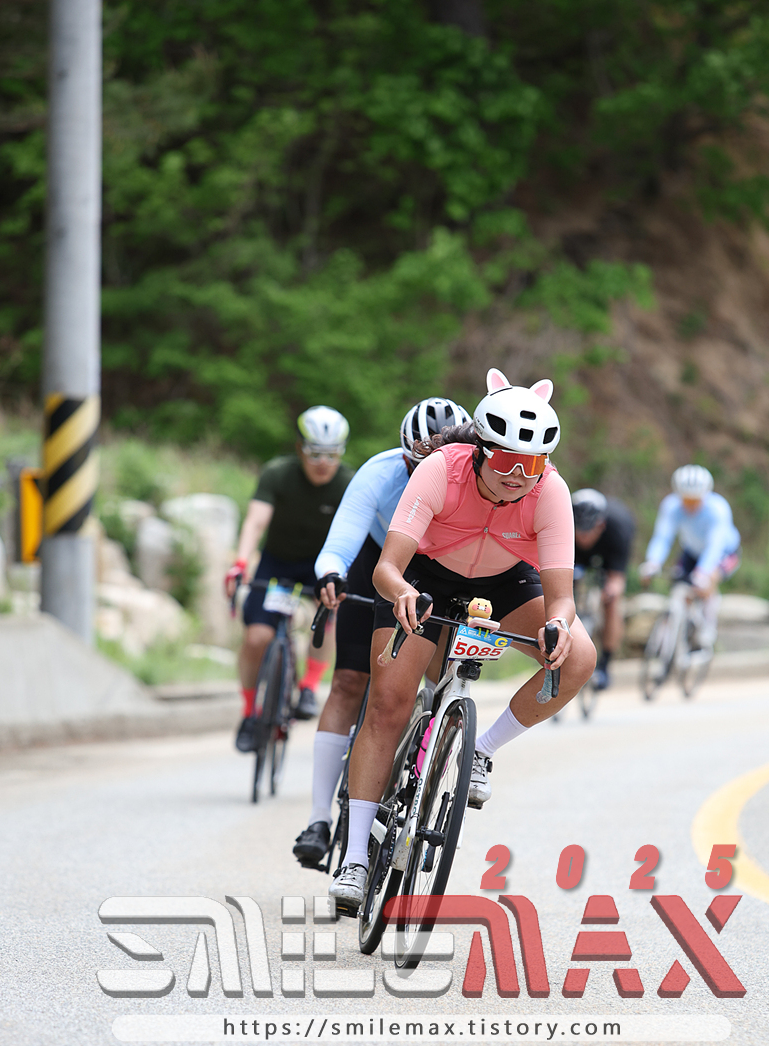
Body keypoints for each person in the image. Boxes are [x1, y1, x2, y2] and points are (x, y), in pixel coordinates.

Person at [327, 368, 597, 909]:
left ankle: (480, 750)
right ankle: (355, 858)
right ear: (481, 449)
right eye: (507, 460)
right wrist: (402, 594)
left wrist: (558, 626)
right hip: (424, 578)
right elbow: (386, 569)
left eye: (533, 464)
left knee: (579, 659)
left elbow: (562, 598)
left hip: (505, 579)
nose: (519, 475)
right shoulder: (440, 470)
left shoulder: (551, 491)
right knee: (388, 704)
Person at [291, 398, 472, 868]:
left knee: (437, 683)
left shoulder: (477, 478)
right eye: (416, 465)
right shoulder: (379, 473)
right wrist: (331, 574)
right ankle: (318, 818)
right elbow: (339, 543)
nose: (427, 475)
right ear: (404, 456)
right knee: (350, 680)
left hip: (442, 570)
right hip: (381, 562)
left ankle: (422, 775)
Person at [225, 406, 352, 752]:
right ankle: (250, 713)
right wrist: (240, 563)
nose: (323, 463)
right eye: (315, 453)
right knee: (257, 638)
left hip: (321, 564)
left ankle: (309, 686)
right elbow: (255, 522)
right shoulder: (277, 474)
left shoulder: (348, 483)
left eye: (332, 454)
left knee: (330, 611)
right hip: (277, 563)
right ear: (299, 448)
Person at [638, 464, 741, 656]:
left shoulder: (718, 509)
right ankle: (674, 632)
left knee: (706, 583)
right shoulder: (671, 506)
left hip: (724, 553)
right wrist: (653, 562)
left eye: (696, 500)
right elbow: (663, 537)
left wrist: (703, 572)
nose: (691, 505)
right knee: (679, 587)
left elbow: (715, 546)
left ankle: (707, 631)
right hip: (692, 551)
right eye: (686, 499)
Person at [571, 488, 635, 690]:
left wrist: (610, 591)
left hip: (608, 554)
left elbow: (617, 580)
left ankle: (606, 664)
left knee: (611, 600)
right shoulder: (562, 523)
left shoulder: (618, 527)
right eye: (579, 530)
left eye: (589, 531)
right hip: (573, 555)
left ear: (601, 525)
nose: (584, 537)